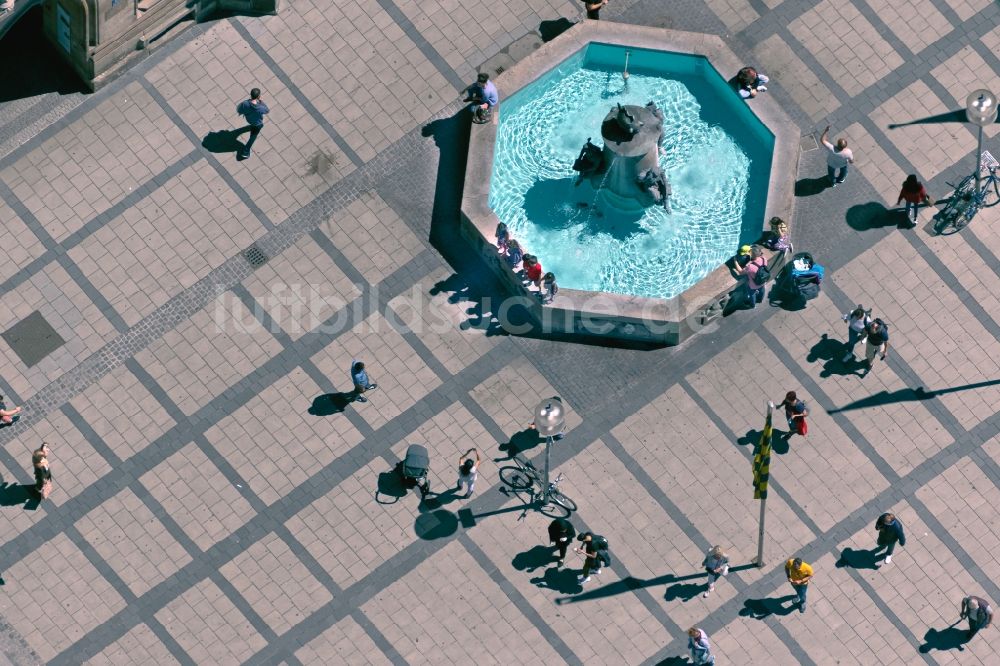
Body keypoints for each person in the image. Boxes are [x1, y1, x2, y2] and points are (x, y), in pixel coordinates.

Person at [236, 88, 270, 160]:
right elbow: (267, 110)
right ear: (258, 96)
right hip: (257, 124)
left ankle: (250, 128)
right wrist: (261, 101)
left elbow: (239, 109)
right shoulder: (260, 107)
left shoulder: (245, 103)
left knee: (252, 127)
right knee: (253, 136)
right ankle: (245, 152)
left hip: (249, 120)